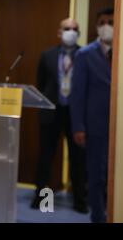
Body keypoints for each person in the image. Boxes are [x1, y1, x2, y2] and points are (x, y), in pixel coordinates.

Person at [30, 18, 88, 213]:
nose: (71, 31)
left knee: (77, 158)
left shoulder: (85, 55)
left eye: (74, 29)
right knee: (46, 156)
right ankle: (41, 197)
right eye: (67, 28)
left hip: (75, 114)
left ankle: (80, 200)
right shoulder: (47, 55)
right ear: (59, 32)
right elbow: (41, 83)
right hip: (51, 112)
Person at [70, 8, 114, 223]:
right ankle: (98, 216)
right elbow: (78, 94)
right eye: (103, 22)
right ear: (97, 26)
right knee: (97, 176)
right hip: (94, 125)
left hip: (118, 126)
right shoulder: (85, 54)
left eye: (111, 22)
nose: (107, 26)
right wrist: (78, 126)